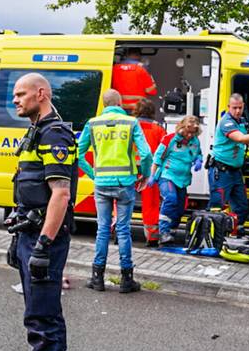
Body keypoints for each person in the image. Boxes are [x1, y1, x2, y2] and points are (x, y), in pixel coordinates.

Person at [7, 73, 77, 351]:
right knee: (48, 314)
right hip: (29, 233)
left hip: (43, 238)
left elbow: (60, 195)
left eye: (20, 94)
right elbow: (28, 186)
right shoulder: (35, 130)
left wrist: (43, 246)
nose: (15, 100)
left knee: (40, 319)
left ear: (41, 94)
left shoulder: (54, 134)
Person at [75, 89, 151, 293]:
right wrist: (144, 175)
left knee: (102, 230)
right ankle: (126, 279)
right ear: (119, 102)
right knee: (123, 230)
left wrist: (94, 174)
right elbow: (145, 154)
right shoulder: (131, 123)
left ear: (104, 104)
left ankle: (97, 278)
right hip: (125, 183)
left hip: (102, 184)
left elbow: (78, 154)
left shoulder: (93, 124)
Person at [207, 93, 249, 230]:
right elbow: (241, 138)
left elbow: (248, 139)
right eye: (234, 108)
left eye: (240, 108)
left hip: (235, 172)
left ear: (243, 107)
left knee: (241, 207)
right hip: (221, 171)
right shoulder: (226, 122)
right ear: (229, 107)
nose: (237, 111)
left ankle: (233, 233)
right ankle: (210, 238)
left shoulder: (241, 121)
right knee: (216, 207)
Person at [147, 115, 203, 246]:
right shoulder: (169, 139)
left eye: (193, 132)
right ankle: (164, 232)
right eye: (188, 131)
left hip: (182, 179)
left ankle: (171, 232)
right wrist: (152, 175)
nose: (189, 135)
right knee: (171, 199)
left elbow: (197, 153)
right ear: (182, 127)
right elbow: (158, 157)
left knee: (179, 209)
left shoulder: (195, 141)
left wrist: (199, 159)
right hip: (167, 176)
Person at [134, 98, 168, 247]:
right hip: (150, 171)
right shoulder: (158, 129)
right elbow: (165, 150)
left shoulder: (130, 126)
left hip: (129, 168)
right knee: (151, 204)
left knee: (121, 201)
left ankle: (117, 232)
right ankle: (152, 238)